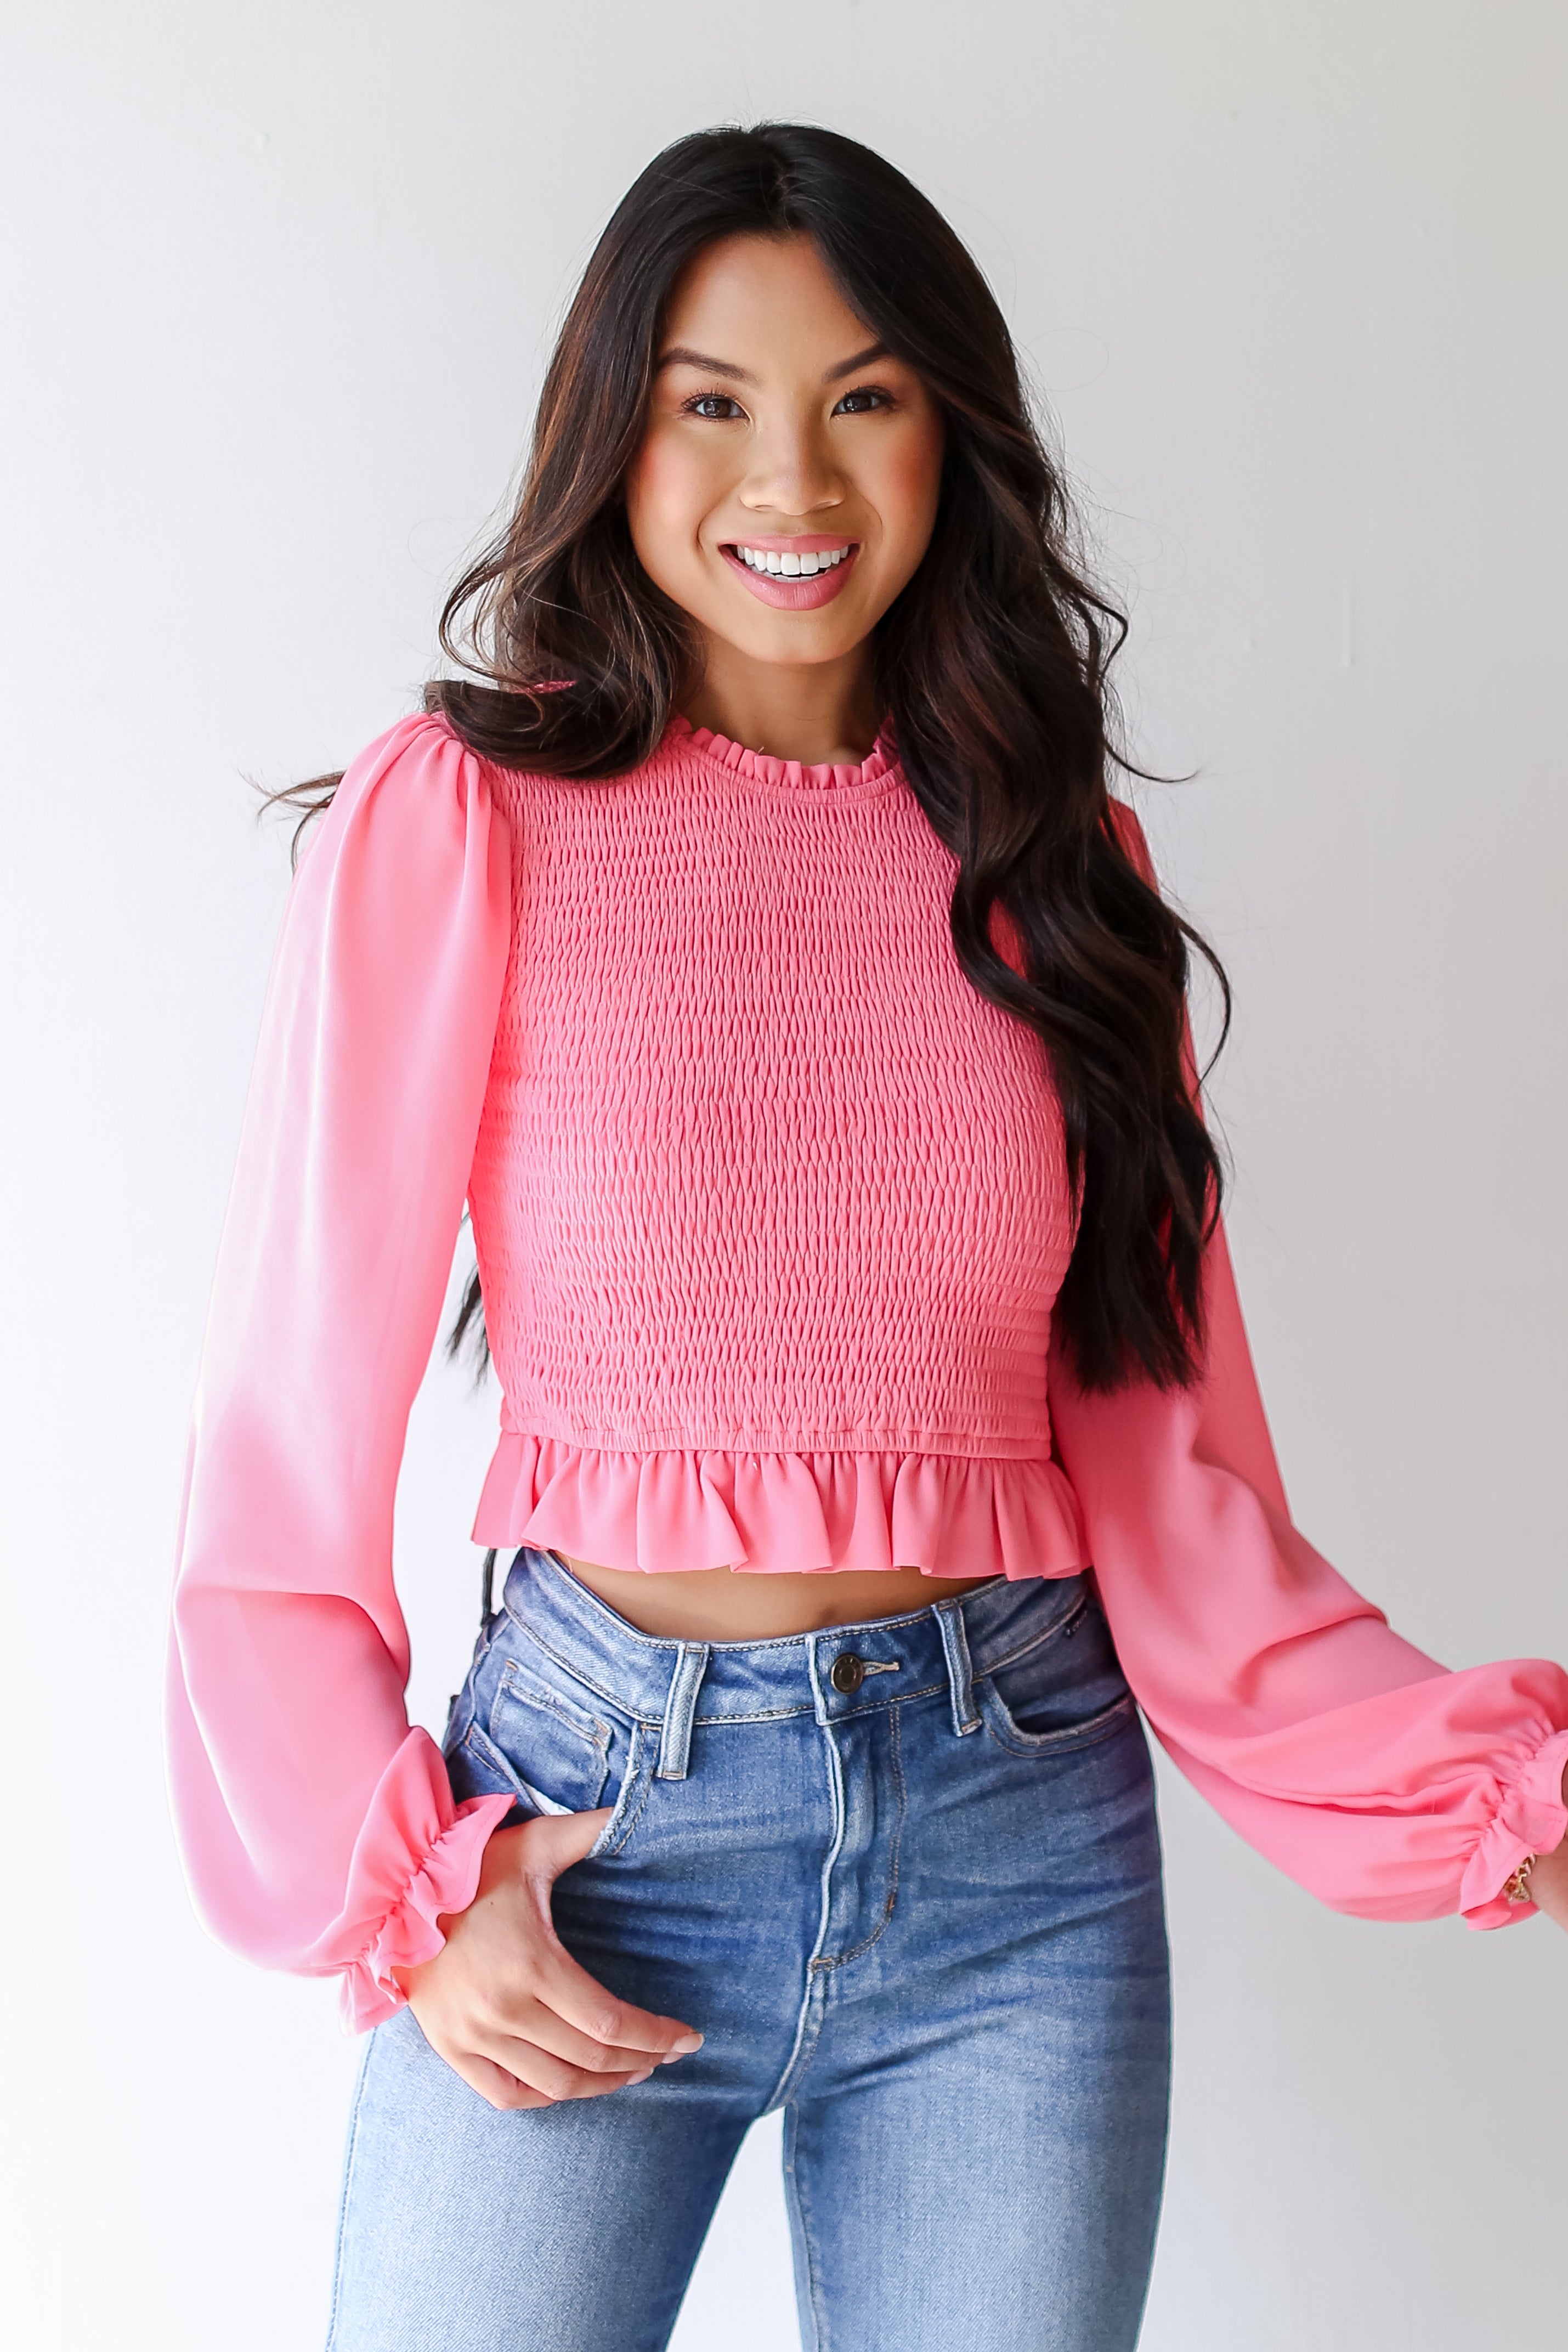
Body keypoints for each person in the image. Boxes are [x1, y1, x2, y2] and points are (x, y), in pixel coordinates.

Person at [165, 123, 1568, 2352]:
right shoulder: (471, 824)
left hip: (1019, 1852)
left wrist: (1499, 1790)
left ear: (953, 430)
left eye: (865, 395)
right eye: (710, 400)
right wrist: (406, 1900)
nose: (790, 479)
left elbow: (1175, 1492)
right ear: (613, 433)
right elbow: (281, 1456)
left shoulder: (1053, 868)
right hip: (580, 1832)